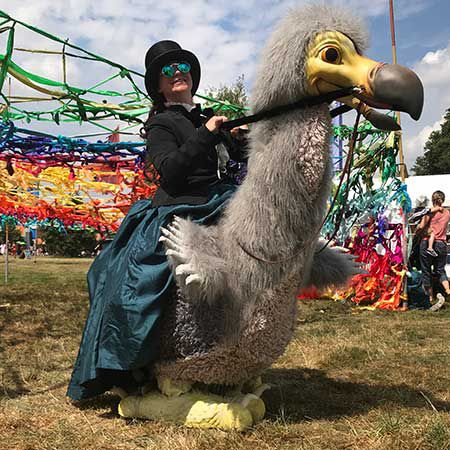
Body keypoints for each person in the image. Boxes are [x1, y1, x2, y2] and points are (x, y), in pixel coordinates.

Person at [67, 40, 247, 401]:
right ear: (159, 86)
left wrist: (240, 141)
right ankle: (134, 361)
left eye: (182, 66)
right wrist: (207, 134)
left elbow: (229, 164)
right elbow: (170, 173)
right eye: (167, 70)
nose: (177, 72)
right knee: (135, 276)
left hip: (223, 197)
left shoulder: (206, 117)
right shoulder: (161, 124)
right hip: (182, 204)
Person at [416, 190, 450, 310]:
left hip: (426, 243)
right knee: (440, 270)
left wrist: (417, 232)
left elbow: (420, 226)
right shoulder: (447, 213)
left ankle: (429, 297)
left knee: (426, 270)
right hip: (441, 244)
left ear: (432, 199)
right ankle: (447, 290)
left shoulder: (429, 213)